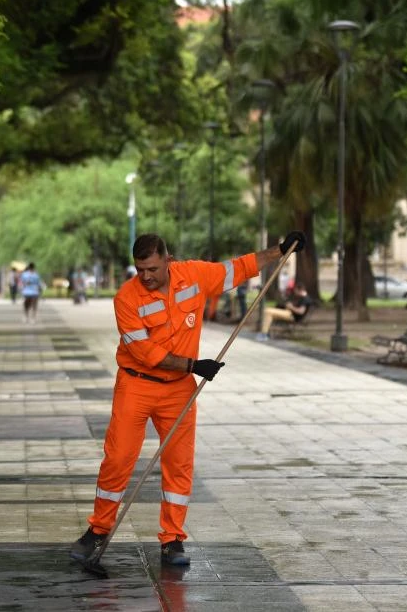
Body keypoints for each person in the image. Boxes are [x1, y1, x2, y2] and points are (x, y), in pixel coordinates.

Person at [70, 231, 306, 567]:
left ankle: (172, 539)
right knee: (118, 459)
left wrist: (280, 251)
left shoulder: (193, 275)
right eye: (140, 270)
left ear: (168, 260)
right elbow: (145, 351)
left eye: (152, 268)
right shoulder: (126, 298)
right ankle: (98, 529)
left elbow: (237, 268)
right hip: (136, 385)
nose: (146, 276)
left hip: (178, 389)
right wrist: (194, 365)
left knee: (179, 465)